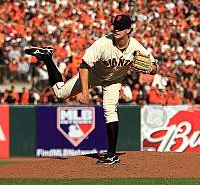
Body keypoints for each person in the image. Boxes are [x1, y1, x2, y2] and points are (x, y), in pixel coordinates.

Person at [25, 14, 157, 165]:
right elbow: (84, 66)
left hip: (114, 80)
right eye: (115, 26)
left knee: (110, 110)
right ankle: (47, 58)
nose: (117, 29)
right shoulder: (102, 43)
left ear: (129, 30)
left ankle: (112, 154)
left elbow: (154, 68)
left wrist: (150, 68)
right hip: (93, 74)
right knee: (60, 93)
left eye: (121, 27)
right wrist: (85, 92)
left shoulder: (136, 47)